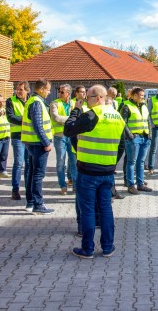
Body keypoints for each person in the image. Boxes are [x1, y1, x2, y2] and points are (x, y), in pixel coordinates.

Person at [64, 85, 125, 259]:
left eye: (88, 98)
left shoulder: (92, 115)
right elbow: (122, 144)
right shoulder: (118, 116)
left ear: (98, 98)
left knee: (88, 210)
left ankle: (88, 249)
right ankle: (107, 247)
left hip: (88, 171)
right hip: (107, 172)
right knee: (106, 209)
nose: (86, 102)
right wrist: (112, 161)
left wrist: (76, 109)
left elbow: (69, 130)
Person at [21, 78, 54, 215]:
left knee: (32, 173)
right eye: (48, 89)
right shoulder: (36, 103)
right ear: (41, 89)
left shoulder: (33, 101)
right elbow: (38, 125)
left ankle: (30, 202)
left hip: (31, 143)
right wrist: (46, 143)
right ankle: (38, 204)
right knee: (38, 175)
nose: (49, 92)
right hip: (38, 144)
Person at [120, 87, 153, 194]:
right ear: (134, 95)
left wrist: (150, 134)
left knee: (141, 162)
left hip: (145, 138)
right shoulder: (126, 107)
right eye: (140, 95)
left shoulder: (144, 106)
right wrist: (130, 136)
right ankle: (130, 185)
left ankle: (140, 184)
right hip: (134, 139)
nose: (142, 97)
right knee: (131, 162)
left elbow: (148, 121)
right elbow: (123, 123)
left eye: (143, 95)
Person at [50, 84, 76, 195]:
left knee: (74, 161)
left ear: (68, 94)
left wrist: (67, 119)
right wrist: (71, 119)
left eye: (62, 92)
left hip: (72, 136)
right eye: (59, 91)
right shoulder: (54, 103)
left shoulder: (73, 104)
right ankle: (63, 186)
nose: (59, 93)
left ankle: (75, 185)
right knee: (61, 162)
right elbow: (56, 118)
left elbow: (78, 117)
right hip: (60, 136)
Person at [6, 81, 30, 200]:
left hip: (30, 136)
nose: (19, 91)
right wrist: (26, 120)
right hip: (17, 136)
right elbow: (10, 117)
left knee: (29, 163)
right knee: (19, 163)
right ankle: (15, 189)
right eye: (17, 89)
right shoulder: (11, 101)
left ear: (27, 90)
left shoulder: (32, 100)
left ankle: (28, 187)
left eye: (21, 89)